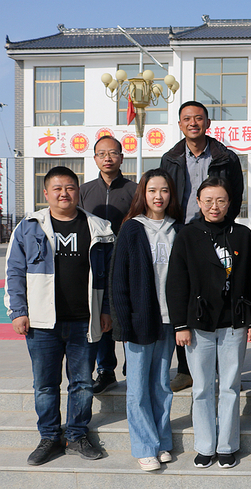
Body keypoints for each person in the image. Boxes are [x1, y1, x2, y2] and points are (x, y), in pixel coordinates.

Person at [5, 166, 114, 465]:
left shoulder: (98, 227)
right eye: (57, 188)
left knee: (82, 383)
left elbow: (109, 276)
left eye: (70, 187)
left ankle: (77, 435)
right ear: (46, 193)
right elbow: (15, 271)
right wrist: (18, 312)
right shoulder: (29, 227)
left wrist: (106, 310)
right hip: (42, 323)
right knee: (45, 384)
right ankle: (50, 437)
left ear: (78, 191)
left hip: (84, 321)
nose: (64, 193)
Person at [166, 177, 251, 470]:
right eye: (208, 200)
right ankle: (205, 446)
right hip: (198, 323)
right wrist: (180, 325)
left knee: (230, 385)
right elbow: (176, 282)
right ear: (198, 202)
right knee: (202, 387)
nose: (214, 206)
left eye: (220, 200)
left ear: (230, 203)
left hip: (234, 322)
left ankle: (227, 446)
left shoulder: (242, 235)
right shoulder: (187, 235)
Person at [160, 100, 244, 392]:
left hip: (216, 230)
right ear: (180, 124)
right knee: (186, 293)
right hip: (183, 231)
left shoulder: (226, 157)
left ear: (208, 123)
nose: (193, 123)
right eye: (187, 119)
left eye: (198, 118)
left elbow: (235, 195)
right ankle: (186, 369)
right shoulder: (170, 158)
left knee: (217, 290)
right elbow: (167, 193)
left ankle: (219, 365)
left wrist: (222, 226)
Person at [109, 169, 181, 471]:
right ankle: (144, 447)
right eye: (152, 190)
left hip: (168, 320)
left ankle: (162, 441)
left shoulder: (178, 229)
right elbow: (118, 280)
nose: (158, 196)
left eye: (164, 190)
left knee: (161, 385)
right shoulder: (132, 228)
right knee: (138, 388)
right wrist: (123, 323)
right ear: (143, 194)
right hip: (140, 321)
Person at [79, 135, 137, 394]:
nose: (107, 158)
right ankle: (106, 369)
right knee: (100, 316)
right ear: (95, 158)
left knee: (127, 314)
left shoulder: (135, 190)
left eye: (112, 153)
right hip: (96, 265)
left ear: (121, 158)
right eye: (101, 154)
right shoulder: (84, 191)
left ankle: (133, 364)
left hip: (127, 262)